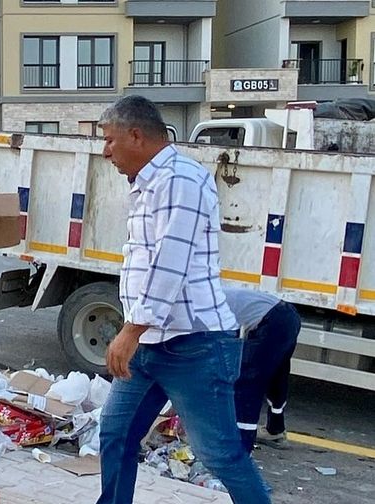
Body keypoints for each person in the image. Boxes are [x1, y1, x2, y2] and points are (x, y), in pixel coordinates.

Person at [96, 95, 270, 504]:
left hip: (194, 345)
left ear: (135, 136)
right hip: (149, 343)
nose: (105, 152)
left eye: (109, 140)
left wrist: (130, 329)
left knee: (220, 455)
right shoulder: (148, 182)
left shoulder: (179, 179)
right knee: (116, 433)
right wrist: (137, 332)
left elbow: (169, 261)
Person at [225, 287, 300, 452]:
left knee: (247, 384)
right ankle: (275, 430)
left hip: (270, 321)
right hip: (289, 315)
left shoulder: (203, 310)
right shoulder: (213, 295)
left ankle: (242, 449)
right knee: (277, 375)